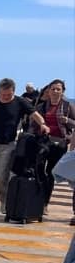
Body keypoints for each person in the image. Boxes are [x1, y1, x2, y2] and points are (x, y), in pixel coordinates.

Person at [0, 78, 49, 219]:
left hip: (8, 146)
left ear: (13, 91)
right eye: (3, 94)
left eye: (9, 95)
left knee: (2, 177)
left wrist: (42, 124)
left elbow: (34, 114)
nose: (5, 97)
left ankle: (5, 204)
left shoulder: (20, 102)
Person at [34, 79, 75, 216]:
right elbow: (33, 122)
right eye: (53, 89)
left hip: (60, 143)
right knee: (39, 169)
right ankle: (38, 198)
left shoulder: (68, 106)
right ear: (49, 91)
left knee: (51, 172)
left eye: (58, 89)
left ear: (62, 91)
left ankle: (44, 203)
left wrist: (67, 120)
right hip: (44, 141)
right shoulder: (42, 106)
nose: (55, 91)